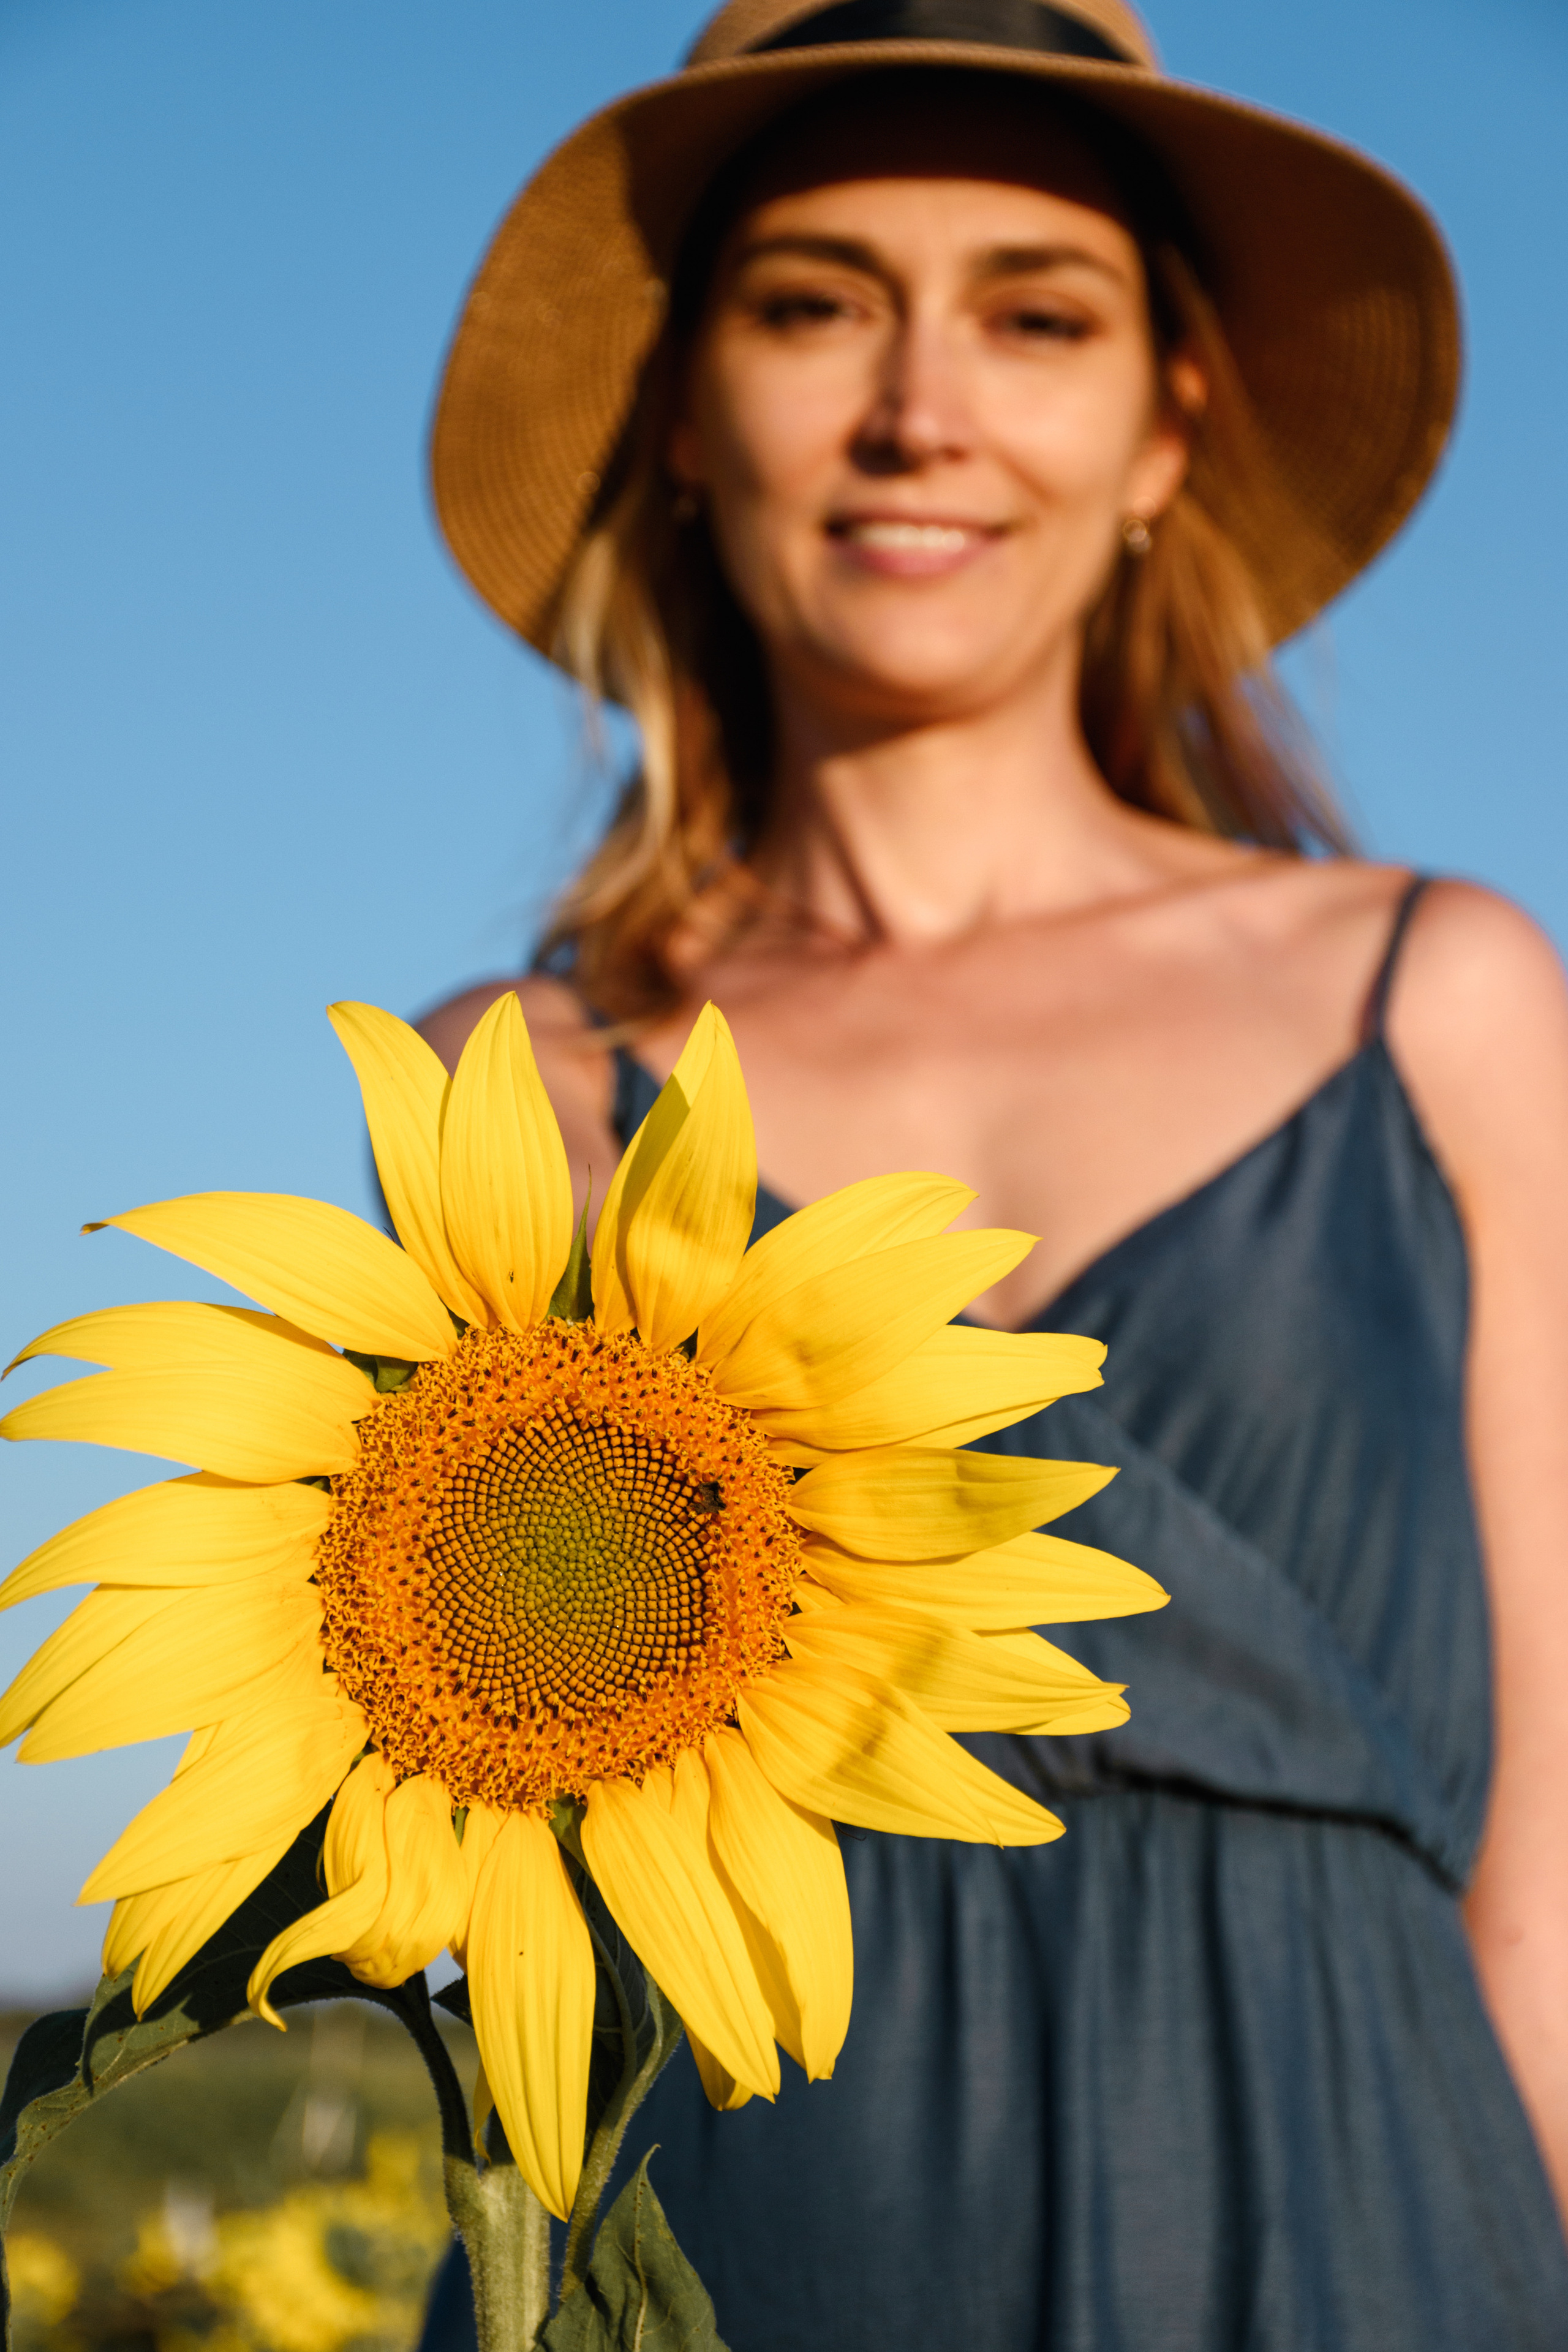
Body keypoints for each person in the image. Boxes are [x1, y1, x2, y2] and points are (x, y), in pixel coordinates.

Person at [416, 3, 1568, 2343]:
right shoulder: (502, 1089)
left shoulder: (1435, 997)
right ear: (683, 423)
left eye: (1035, 315)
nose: (919, 408)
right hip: (727, 2234)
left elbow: (1559, 1832)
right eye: (813, 302)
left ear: (1165, 429)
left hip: (1358, 2225)